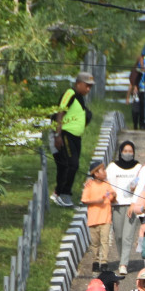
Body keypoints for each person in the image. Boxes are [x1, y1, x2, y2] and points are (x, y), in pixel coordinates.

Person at [52, 72, 94, 208]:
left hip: (76, 137)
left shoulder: (81, 99)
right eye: (86, 86)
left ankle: (58, 193)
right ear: (78, 84)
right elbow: (60, 112)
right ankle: (64, 193)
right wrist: (58, 135)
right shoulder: (70, 93)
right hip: (66, 134)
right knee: (72, 164)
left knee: (68, 165)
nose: (88, 89)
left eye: (90, 87)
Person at [106, 141, 143, 276]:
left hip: (131, 205)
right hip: (116, 205)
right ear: (121, 151)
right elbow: (107, 184)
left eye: (130, 151)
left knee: (128, 236)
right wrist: (111, 197)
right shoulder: (112, 167)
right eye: (125, 151)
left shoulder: (138, 167)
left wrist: (135, 199)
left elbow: (141, 183)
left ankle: (123, 264)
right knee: (119, 236)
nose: (128, 153)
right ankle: (123, 257)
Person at [81, 161, 116, 274]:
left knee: (104, 241)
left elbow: (112, 196)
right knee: (95, 242)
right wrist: (97, 201)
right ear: (96, 173)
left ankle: (104, 262)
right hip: (93, 219)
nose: (105, 172)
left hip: (105, 218)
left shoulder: (107, 185)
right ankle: (95, 261)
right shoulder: (90, 185)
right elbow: (84, 199)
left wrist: (113, 196)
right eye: (102, 170)